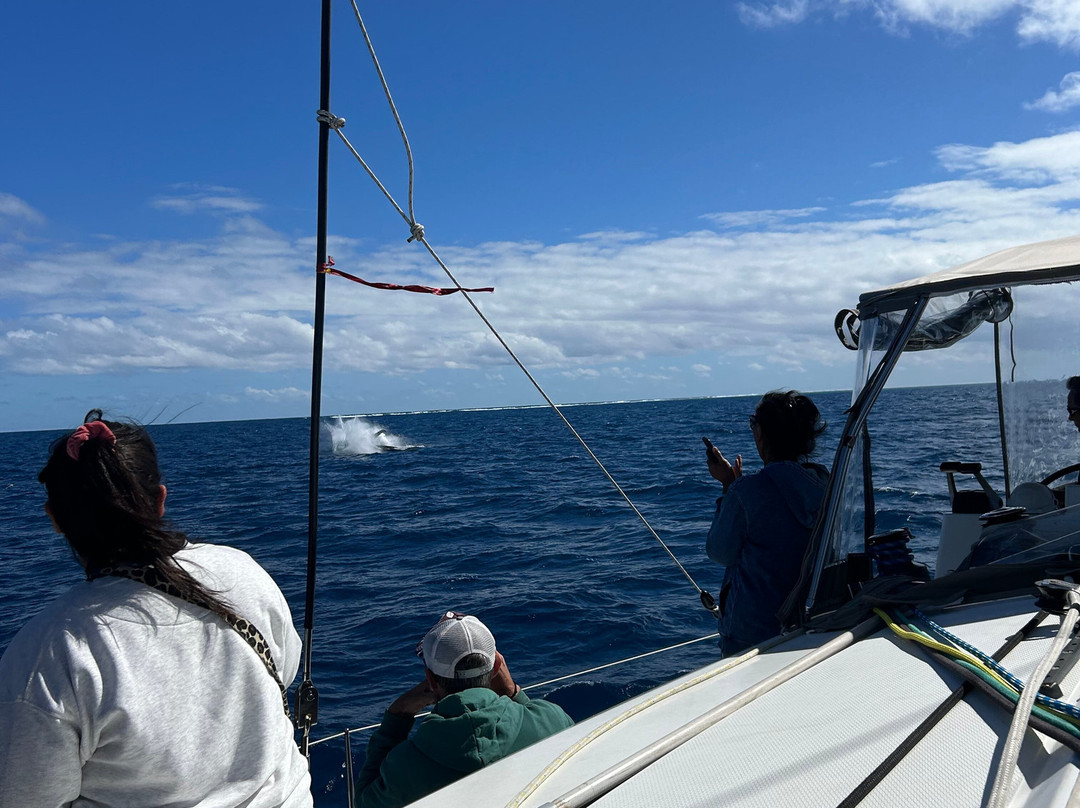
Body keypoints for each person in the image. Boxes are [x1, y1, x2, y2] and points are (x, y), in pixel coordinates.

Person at [0, 409, 312, 808]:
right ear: (160, 500)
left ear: (55, 519)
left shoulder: (47, 653)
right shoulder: (241, 570)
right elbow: (283, 672)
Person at [356, 611, 574, 808]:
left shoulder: (404, 767)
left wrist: (397, 716)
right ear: (497, 667)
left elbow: (364, 801)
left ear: (430, 679)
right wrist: (513, 693)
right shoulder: (553, 721)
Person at [703, 390, 828, 656]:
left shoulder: (746, 492)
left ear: (760, 433)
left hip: (752, 635)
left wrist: (729, 487)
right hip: (814, 625)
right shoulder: (826, 484)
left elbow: (719, 552)